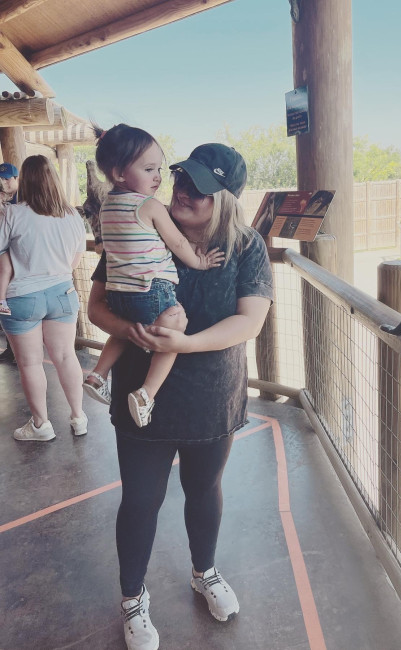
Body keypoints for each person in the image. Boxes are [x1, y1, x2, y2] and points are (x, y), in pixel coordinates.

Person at [88, 143, 273, 650]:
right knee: (141, 500)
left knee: (204, 488)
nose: (185, 192)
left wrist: (186, 343)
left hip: (212, 394)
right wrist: (133, 330)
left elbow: (250, 319)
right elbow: (96, 305)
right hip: (140, 399)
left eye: (202, 188)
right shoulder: (137, 221)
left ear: (227, 199)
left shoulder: (246, 245)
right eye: (183, 180)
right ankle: (132, 598)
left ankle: (204, 571)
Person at [82, 124, 224, 428]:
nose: (158, 177)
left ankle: (97, 374)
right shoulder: (149, 205)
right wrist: (199, 263)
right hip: (150, 288)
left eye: (159, 168)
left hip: (118, 292)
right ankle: (147, 393)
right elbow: (177, 243)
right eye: (149, 169)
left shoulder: (107, 205)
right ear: (120, 173)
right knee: (174, 324)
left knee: (126, 331)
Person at [0, 155, 87, 441]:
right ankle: (78, 418)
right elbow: (74, 261)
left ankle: (41, 425)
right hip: (63, 293)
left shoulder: (11, 214)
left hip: (22, 297)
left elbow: (2, 257)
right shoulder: (72, 215)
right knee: (65, 356)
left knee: (30, 363)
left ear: (24, 180)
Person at [0, 162, 19, 361]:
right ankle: (11, 349)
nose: (4, 182)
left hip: (19, 259)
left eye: (7, 178)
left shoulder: (24, 199)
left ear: (16, 178)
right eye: (1, 179)